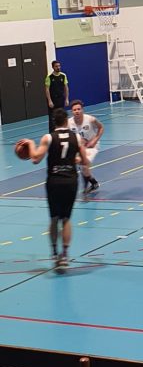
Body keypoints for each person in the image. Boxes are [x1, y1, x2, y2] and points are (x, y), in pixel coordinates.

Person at [21, 108, 87, 268]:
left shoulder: (48, 137)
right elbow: (84, 160)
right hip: (71, 181)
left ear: (53, 122)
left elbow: (35, 159)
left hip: (54, 182)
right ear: (66, 121)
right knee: (66, 219)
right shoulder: (77, 137)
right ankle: (65, 255)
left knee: (54, 218)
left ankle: (54, 252)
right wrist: (73, 159)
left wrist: (30, 144)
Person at [68, 99, 103, 193]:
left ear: (82, 110)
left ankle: (85, 188)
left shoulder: (90, 119)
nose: (77, 111)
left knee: (84, 166)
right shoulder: (68, 123)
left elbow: (101, 128)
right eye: (74, 110)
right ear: (72, 112)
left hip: (91, 146)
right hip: (79, 147)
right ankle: (94, 183)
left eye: (79, 109)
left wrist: (95, 140)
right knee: (82, 167)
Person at [45, 59, 69, 131]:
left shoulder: (63, 76)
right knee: (52, 118)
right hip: (53, 100)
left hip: (61, 99)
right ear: (53, 67)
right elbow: (47, 90)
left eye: (59, 66)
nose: (58, 67)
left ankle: (62, 130)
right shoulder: (49, 77)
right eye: (56, 66)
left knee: (62, 115)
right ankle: (52, 132)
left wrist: (66, 99)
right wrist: (49, 101)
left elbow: (66, 88)